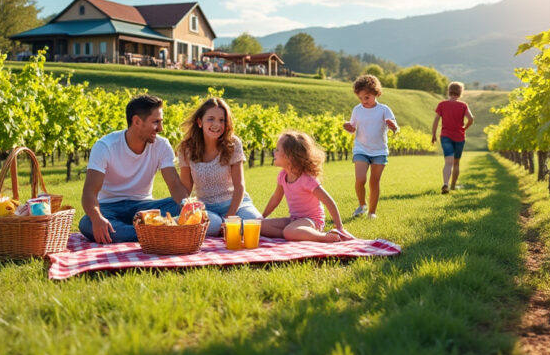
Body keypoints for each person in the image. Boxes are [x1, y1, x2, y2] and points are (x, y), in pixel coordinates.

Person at [79, 94, 190, 243]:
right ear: (137, 121)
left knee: (180, 205)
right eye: (156, 122)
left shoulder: (162, 145)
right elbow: (89, 193)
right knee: (87, 223)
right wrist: (98, 218)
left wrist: (188, 208)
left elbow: (175, 185)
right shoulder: (105, 146)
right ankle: (156, 232)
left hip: (144, 208)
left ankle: (139, 232)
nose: (161, 129)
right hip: (109, 208)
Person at [178, 97, 263, 236]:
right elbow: (186, 189)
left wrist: (230, 217)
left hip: (237, 203)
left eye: (222, 120)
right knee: (214, 225)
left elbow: (239, 186)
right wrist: (188, 211)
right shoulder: (186, 148)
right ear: (200, 122)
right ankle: (224, 229)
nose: (217, 124)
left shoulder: (233, 144)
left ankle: (288, 224)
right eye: (211, 119)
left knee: (255, 224)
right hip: (206, 208)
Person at [261, 130, 354, 242]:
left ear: (289, 156)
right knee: (260, 226)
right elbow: (275, 199)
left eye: (277, 150)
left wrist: (340, 228)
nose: (274, 152)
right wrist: (262, 217)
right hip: (294, 220)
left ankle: (325, 237)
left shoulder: (306, 179)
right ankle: (295, 234)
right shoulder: (282, 176)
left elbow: (329, 202)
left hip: (312, 221)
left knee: (289, 231)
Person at [343, 74, 399, 219]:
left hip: (379, 151)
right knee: (360, 179)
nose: (363, 101)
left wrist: (393, 127)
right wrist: (349, 128)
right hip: (361, 149)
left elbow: (394, 127)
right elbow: (353, 127)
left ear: (376, 93)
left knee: (374, 181)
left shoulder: (384, 109)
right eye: (360, 98)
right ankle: (362, 205)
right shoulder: (357, 110)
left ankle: (372, 213)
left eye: (366, 97)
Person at [431, 81, 475, 193]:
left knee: (448, 162)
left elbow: (436, 120)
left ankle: (445, 184)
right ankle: (453, 186)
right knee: (456, 163)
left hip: (445, 136)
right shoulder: (463, 105)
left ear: (449, 91)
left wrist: (433, 134)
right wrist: (464, 128)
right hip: (459, 137)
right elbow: (471, 119)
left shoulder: (442, 104)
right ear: (460, 92)